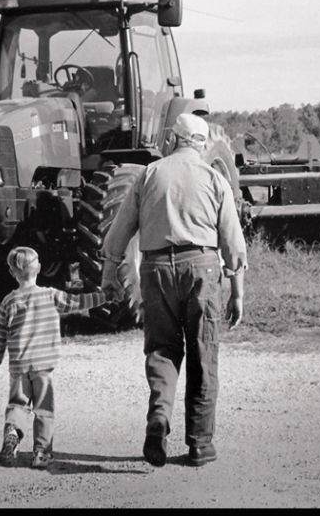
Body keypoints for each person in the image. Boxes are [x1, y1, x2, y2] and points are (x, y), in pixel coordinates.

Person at [100, 112, 247, 468]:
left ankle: (158, 419)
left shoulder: (149, 174)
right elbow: (233, 242)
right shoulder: (214, 178)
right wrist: (237, 292)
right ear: (201, 143)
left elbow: (121, 230)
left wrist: (108, 273)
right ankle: (199, 445)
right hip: (201, 267)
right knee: (202, 353)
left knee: (163, 350)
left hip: (154, 270)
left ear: (172, 140)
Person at [0, 246, 107, 469]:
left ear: (12, 272)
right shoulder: (50, 295)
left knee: (17, 404)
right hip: (43, 366)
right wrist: (105, 296)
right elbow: (78, 302)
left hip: (19, 366)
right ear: (39, 268)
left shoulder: (8, 302)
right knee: (44, 409)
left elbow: (0, 335)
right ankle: (41, 453)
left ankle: (12, 431)